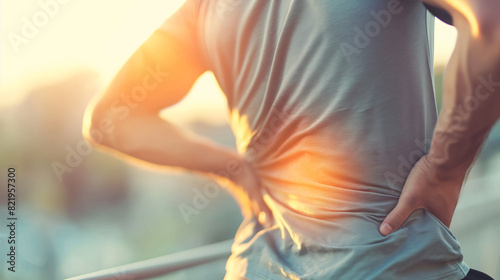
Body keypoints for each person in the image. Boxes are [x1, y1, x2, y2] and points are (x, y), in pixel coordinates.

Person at [82, 0, 500, 279]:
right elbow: (491, 25)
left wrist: (233, 167)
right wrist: (445, 166)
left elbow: (109, 120)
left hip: (254, 267)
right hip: (388, 264)